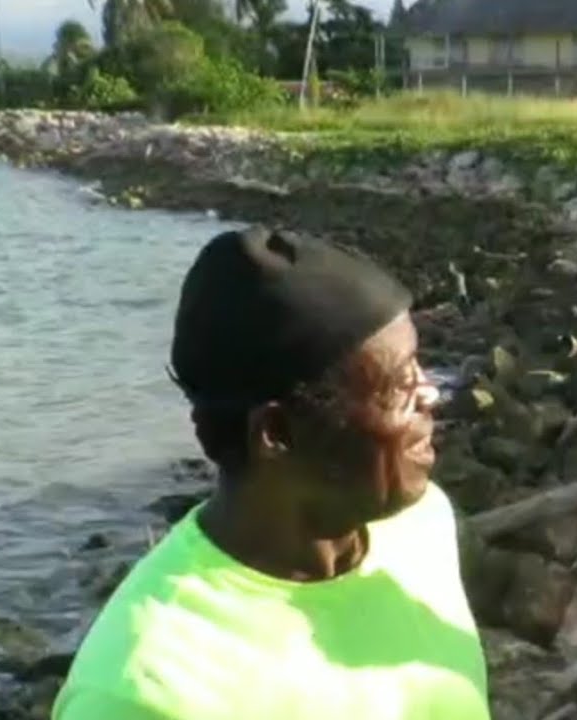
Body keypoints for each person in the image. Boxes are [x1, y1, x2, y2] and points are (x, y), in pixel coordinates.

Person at [52, 226, 491, 720]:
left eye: (419, 368)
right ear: (276, 433)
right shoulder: (146, 691)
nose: (431, 394)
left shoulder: (420, 525)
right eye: (396, 385)